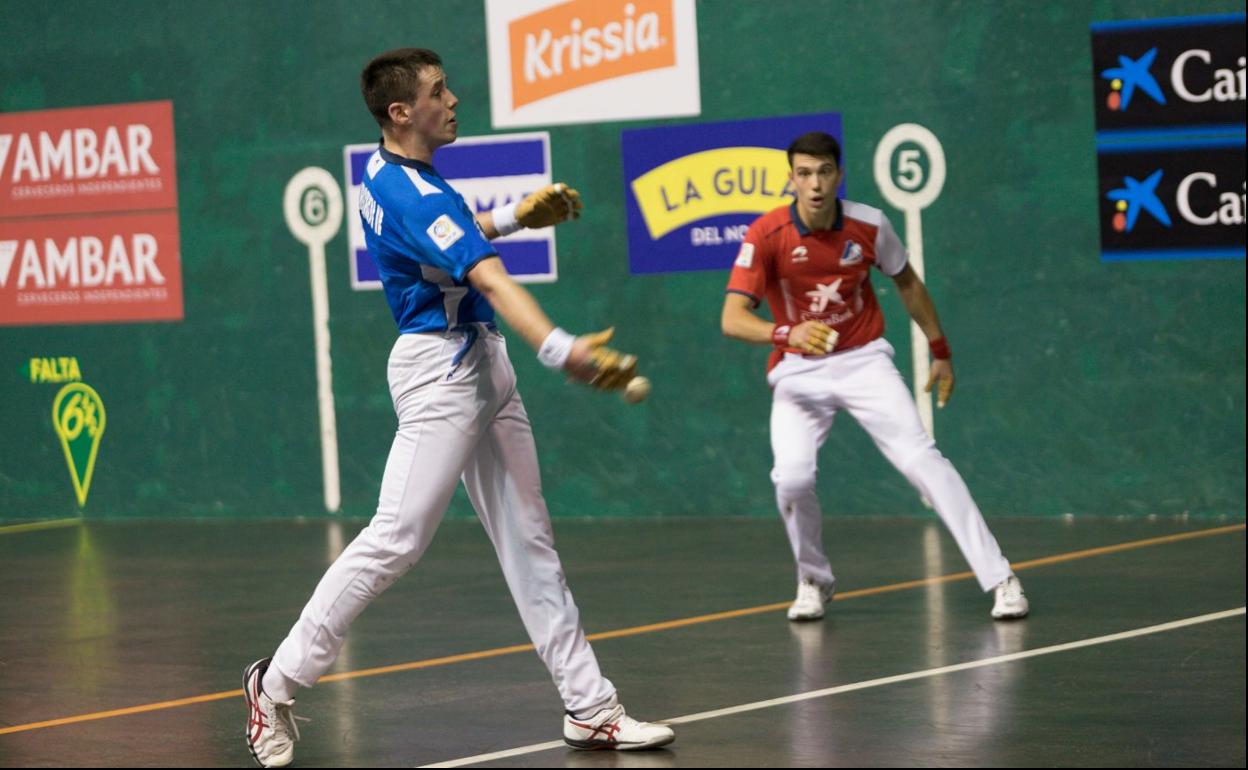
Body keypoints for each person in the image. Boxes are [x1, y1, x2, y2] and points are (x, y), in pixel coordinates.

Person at [243, 47, 674, 768]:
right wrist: (564, 349)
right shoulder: (419, 194)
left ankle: (590, 708)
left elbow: (441, 241)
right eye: (439, 92)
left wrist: (509, 214)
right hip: (441, 369)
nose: (454, 100)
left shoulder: (383, 172)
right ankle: (274, 682)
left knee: (530, 540)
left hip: (480, 360)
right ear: (400, 111)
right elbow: (492, 281)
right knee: (397, 538)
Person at [720, 131, 1029, 624]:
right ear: (791, 180)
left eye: (824, 172)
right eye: (804, 173)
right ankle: (814, 579)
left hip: (863, 359)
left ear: (839, 175)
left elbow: (906, 281)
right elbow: (732, 318)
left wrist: (940, 349)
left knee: (923, 459)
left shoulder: (869, 224)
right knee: (792, 478)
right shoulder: (766, 234)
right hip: (798, 369)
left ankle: (1001, 578)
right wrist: (788, 333)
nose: (815, 184)